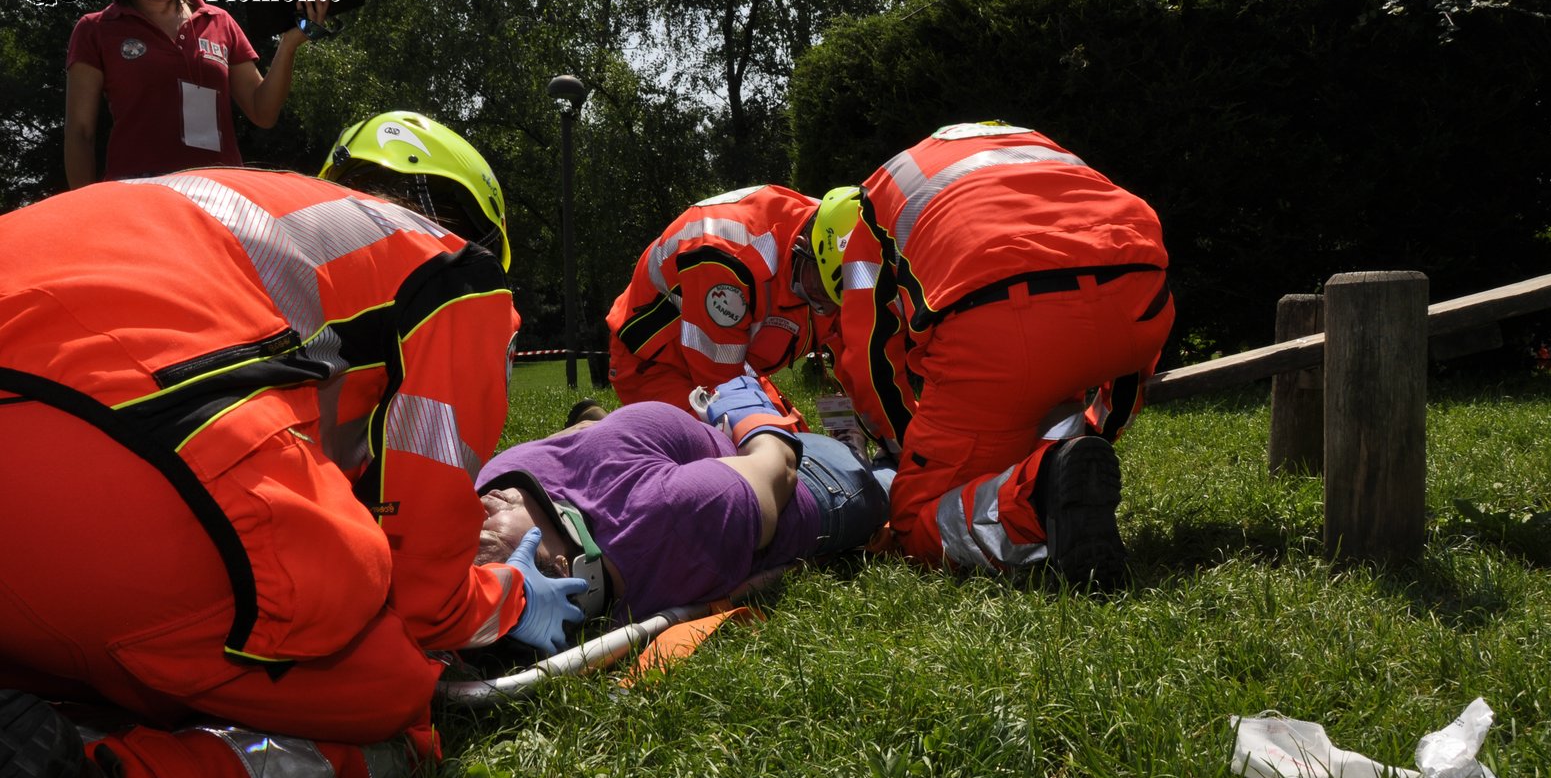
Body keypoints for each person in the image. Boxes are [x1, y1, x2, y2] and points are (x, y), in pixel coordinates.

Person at [0, 113, 571, 778]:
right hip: (132, 450)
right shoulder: (461, 275)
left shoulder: (240, 219)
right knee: (393, 697)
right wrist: (506, 598)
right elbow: (424, 598)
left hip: (66, 450)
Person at [812, 121, 1175, 585]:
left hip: (1004, 330)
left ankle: (1035, 500)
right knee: (1047, 420)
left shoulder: (870, 208)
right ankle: (1054, 469)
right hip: (1143, 293)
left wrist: (909, 450)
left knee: (913, 523)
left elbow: (871, 361)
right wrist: (1100, 428)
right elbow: (1120, 321)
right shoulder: (1035, 146)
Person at [471, 377, 890, 661]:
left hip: (705, 447)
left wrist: (593, 428)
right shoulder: (669, 520)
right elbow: (778, 465)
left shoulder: (495, 485)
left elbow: (569, 440)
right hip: (819, 483)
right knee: (884, 470)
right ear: (562, 570)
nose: (478, 512)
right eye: (490, 532)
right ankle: (865, 449)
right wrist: (752, 411)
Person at [64, 0, 330, 188]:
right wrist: (88, 215)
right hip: (139, 199)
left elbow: (263, 113)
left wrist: (288, 45)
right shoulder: (95, 29)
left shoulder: (220, 21)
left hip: (220, 196)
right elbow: (80, 133)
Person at [604, 184, 839, 413]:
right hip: (653, 367)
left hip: (730, 365)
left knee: (794, 440)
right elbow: (719, 388)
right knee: (733, 445)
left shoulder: (840, 230)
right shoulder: (725, 264)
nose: (829, 307)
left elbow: (857, 356)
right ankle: (591, 426)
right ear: (802, 249)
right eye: (821, 291)